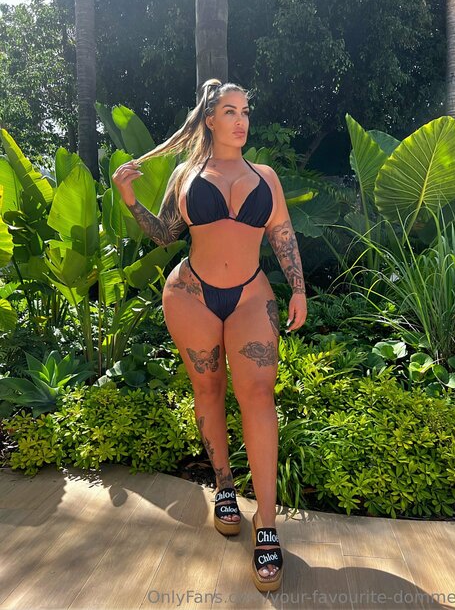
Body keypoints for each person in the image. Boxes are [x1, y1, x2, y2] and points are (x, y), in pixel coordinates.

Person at [112, 78, 307, 592]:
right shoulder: (186, 174)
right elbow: (164, 235)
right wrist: (129, 199)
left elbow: (281, 233)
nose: (242, 121)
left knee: (258, 395)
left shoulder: (265, 177)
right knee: (208, 388)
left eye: (246, 111)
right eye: (231, 111)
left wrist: (298, 289)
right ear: (210, 119)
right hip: (192, 295)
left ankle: (267, 522)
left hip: (250, 296)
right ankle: (223, 485)